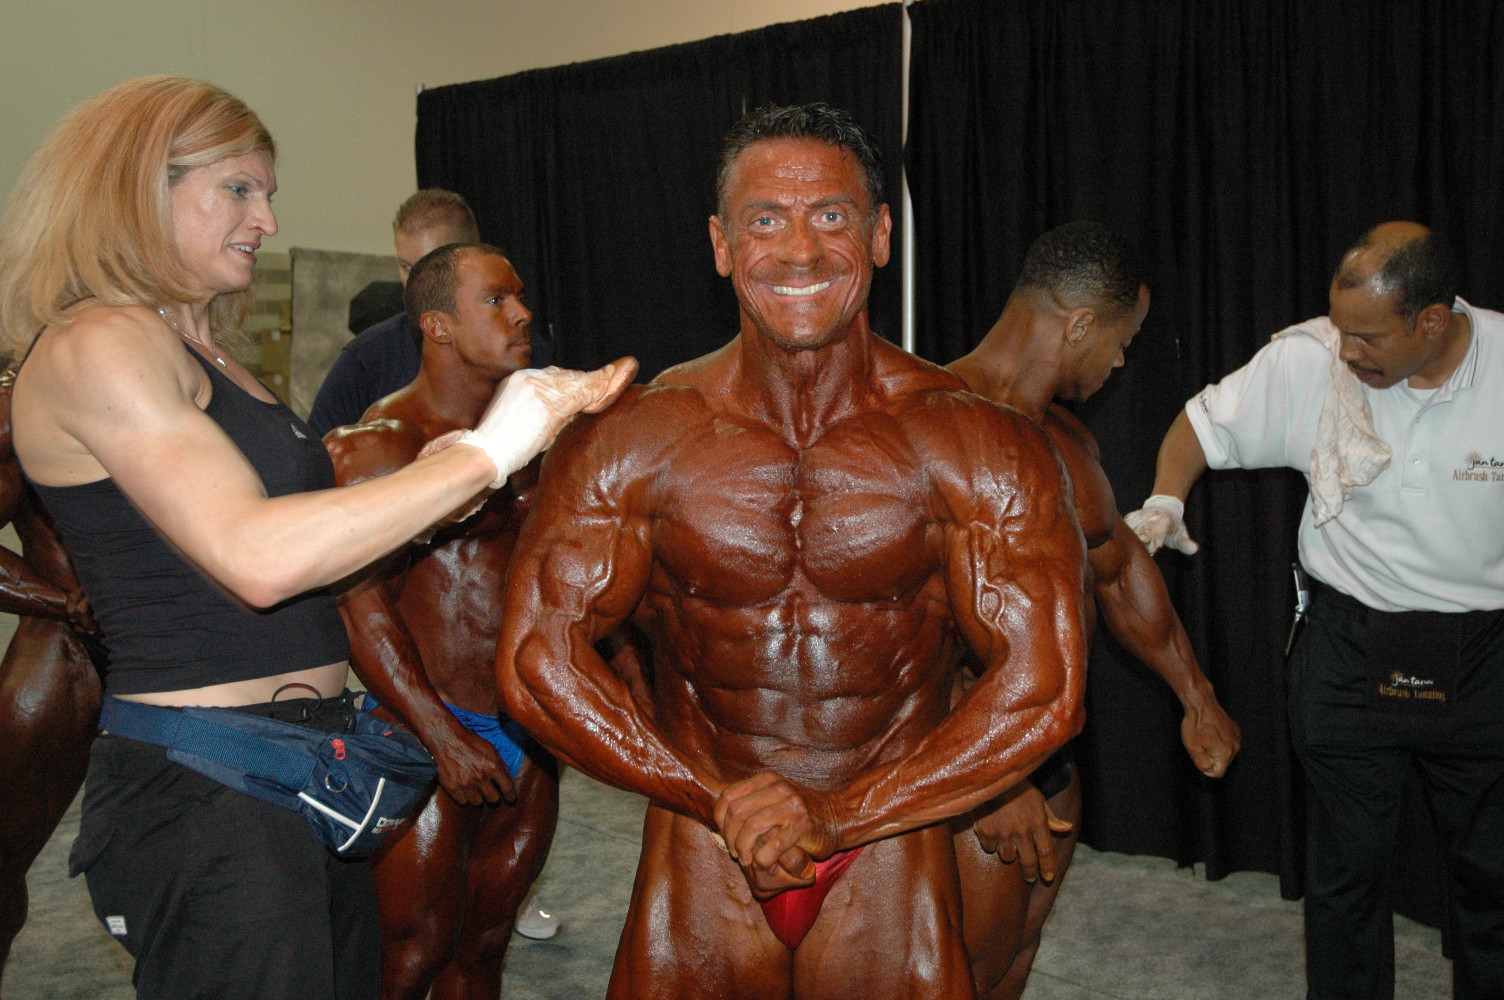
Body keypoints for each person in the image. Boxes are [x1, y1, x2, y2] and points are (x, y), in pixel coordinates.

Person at [0, 75, 633, 1000]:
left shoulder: (211, 356)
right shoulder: (100, 341)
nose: (264, 219)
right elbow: (257, 557)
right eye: (237, 190)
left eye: (267, 193)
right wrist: (487, 454)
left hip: (307, 765)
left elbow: (318, 543)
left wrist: (440, 490)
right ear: (139, 187)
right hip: (210, 781)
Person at [496, 102, 1089, 999]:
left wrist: (841, 814)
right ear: (722, 244)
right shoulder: (635, 437)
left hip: (888, 841)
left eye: (832, 217)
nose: (800, 252)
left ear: (880, 235)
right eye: (766, 220)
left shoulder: (977, 443)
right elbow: (537, 661)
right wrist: (709, 796)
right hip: (702, 835)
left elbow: (1044, 688)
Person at [1128, 221, 1504, 1000]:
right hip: (1348, 647)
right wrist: (1166, 499)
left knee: (1493, 876)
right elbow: (1200, 426)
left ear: (1433, 321)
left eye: (1367, 337)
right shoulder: (1312, 358)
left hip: (1485, 655)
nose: (1347, 352)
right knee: (1346, 878)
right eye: (1340, 328)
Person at [946, 221, 1242, 999]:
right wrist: (991, 782)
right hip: (961, 777)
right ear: (1080, 325)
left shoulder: (1067, 439)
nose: (1120, 361)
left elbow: (1117, 570)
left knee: (1014, 957)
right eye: (1121, 340)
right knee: (957, 975)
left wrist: (1196, 694)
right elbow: (898, 633)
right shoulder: (926, 424)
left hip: (1046, 759)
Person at [326, 243, 560, 1000]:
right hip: (421, 729)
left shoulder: (544, 443)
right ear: (438, 326)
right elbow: (360, 605)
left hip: (526, 736)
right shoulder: (383, 443)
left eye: (519, 295)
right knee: (411, 953)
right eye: (495, 300)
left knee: (483, 948)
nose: (521, 313)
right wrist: (441, 734)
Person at [0, 361, 107, 992]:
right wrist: (60, 601)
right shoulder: (18, 409)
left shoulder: (196, 379)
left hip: (177, 646)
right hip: (67, 651)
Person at [309, 190, 479, 438]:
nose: (414, 283)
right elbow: (316, 455)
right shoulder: (367, 359)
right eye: (406, 266)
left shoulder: (517, 349)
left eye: (429, 266)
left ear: (473, 259)